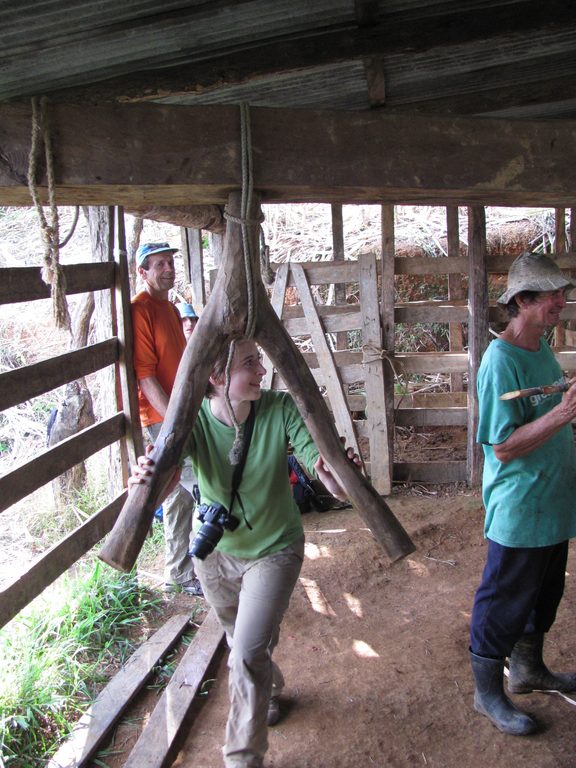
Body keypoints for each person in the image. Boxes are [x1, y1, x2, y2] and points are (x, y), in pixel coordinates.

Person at [129, 335, 359, 768]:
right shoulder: (191, 420)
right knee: (242, 639)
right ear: (217, 378)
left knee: (247, 652)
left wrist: (334, 472)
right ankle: (268, 688)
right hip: (214, 554)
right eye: (250, 364)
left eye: (259, 360)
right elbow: (166, 478)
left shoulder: (279, 407)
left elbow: (319, 463)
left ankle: (241, 759)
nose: (261, 371)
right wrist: (145, 477)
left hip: (274, 548)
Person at [469, 251, 576, 736]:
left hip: (553, 501)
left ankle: (529, 670)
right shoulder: (500, 361)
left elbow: (549, 412)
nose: (562, 301)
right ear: (524, 301)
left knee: (544, 593)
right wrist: (560, 414)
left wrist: (562, 406)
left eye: (562, 293)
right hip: (519, 507)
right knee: (504, 599)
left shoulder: (542, 348)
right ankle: (487, 692)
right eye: (553, 294)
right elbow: (502, 447)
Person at [132, 242, 202, 597]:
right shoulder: (140, 310)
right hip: (161, 415)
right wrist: (173, 421)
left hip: (181, 410)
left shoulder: (171, 309)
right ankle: (181, 569)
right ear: (142, 272)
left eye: (170, 262)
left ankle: (184, 565)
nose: (168, 269)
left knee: (182, 492)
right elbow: (145, 376)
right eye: (159, 264)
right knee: (190, 483)